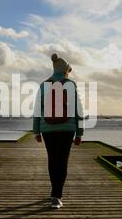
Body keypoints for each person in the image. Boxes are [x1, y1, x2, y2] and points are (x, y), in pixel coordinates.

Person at [32, 53, 84, 209]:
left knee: (53, 160)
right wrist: (79, 133)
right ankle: (56, 196)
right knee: (62, 161)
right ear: (66, 70)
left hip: (47, 129)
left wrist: (36, 131)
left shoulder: (43, 85)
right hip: (67, 129)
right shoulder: (70, 84)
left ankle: (54, 194)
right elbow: (78, 109)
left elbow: (37, 109)